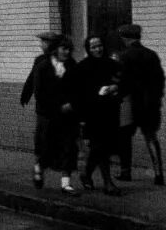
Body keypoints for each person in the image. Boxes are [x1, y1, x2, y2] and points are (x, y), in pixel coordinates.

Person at [28, 36, 80, 194]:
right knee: (45, 146)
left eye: (69, 49)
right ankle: (38, 169)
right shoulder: (42, 66)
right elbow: (39, 92)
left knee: (69, 147)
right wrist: (57, 106)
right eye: (63, 48)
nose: (67, 52)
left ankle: (66, 183)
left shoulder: (72, 65)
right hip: (48, 114)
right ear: (55, 49)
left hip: (68, 115)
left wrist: (72, 103)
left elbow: (78, 87)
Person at [116, 23, 165, 186]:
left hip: (130, 104)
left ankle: (125, 172)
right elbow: (160, 80)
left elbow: (121, 81)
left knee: (124, 137)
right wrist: (156, 98)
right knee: (151, 137)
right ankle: (158, 174)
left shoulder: (123, 56)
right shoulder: (152, 55)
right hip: (150, 104)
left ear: (125, 38)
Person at [74, 35, 122, 194]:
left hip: (110, 111)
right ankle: (108, 183)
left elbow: (124, 82)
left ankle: (86, 174)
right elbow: (79, 94)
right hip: (92, 114)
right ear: (88, 49)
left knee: (99, 148)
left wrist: (115, 88)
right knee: (102, 147)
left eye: (100, 45)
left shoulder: (112, 64)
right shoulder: (82, 67)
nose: (98, 49)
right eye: (93, 47)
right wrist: (80, 118)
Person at [20, 31, 61, 179]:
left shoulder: (59, 60)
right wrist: (26, 94)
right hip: (45, 106)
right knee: (43, 134)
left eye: (43, 42)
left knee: (53, 133)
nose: (41, 45)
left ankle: (52, 160)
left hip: (54, 105)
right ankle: (44, 161)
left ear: (50, 44)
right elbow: (32, 78)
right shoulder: (40, 60)